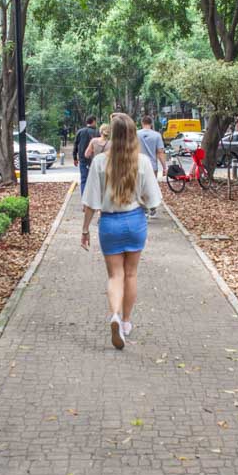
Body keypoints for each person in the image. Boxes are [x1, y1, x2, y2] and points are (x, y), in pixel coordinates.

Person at [81, 113, 163, 350]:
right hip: (135, 222)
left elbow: (91, 203)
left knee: (115, 276)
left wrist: (85, 229)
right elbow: (153, 200)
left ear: (112, 135)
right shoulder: (143, 162)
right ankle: (126, 322)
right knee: (131, 274)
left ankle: (114, 315)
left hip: (109, 224)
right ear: (133, 134)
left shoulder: (99, 162)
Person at [73, 115, 98, 194]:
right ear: (93, 121)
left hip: (83, 159)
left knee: (84, 179)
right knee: (94, 179)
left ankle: (84, 197)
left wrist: (75, 158)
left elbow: (75, 145)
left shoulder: (80, 132)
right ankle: (93, 197)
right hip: (94, 159)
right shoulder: (97, 132)